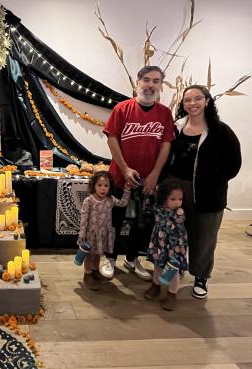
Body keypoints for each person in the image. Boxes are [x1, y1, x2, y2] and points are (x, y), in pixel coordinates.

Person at [101, 66, 175, 281]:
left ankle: (132, 259)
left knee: (143, 223)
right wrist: (124, 169)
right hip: (119, 178)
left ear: (161, 85)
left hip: (148, 181)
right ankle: (110, 258)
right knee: (114, 221)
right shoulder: (122, 109)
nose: (150, 85)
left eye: (156, 81)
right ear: (138, 82)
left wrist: (154, 175)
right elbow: (112, 138)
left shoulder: (164, 113)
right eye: (146, 79)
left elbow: (166, 145)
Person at [167, 85, 241, 299]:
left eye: (197, 98)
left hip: (209, 194)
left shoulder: (221, 130)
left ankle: (200, 276)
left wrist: (215, 181)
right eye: (187, 100)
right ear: (183, 104)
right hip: (177, 190)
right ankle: (177, 266)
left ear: (207, 101)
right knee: (177, 233)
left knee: (205, 237)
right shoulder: (176, 127)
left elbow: (234, 163)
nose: (192, 103)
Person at [78, 171, 131, 290]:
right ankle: (87, 274)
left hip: (103, 234)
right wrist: (82, 232)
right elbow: (84, 217)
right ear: (94, 186)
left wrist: (127, 190)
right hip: (91, 234)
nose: (103, 188)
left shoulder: (110, 199)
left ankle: (95, 271)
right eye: (99, 185)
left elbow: (123, 203)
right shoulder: (89, 201)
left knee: (98, 254)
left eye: (106, 185)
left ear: (110, 187)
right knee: (90, 256)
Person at [144, 180, 188, 311]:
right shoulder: (159, 209)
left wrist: (178, 252)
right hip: (159, 244)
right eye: (173, 199)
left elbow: (178, 230)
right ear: (164, 198)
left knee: (173, 271)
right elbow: (147, 208)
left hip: (174, 247)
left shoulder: (179, 213)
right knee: (157, 266)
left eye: (180, 199)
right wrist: (151, 194)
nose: (177, 202)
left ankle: (172, 294)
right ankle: (155, 286)